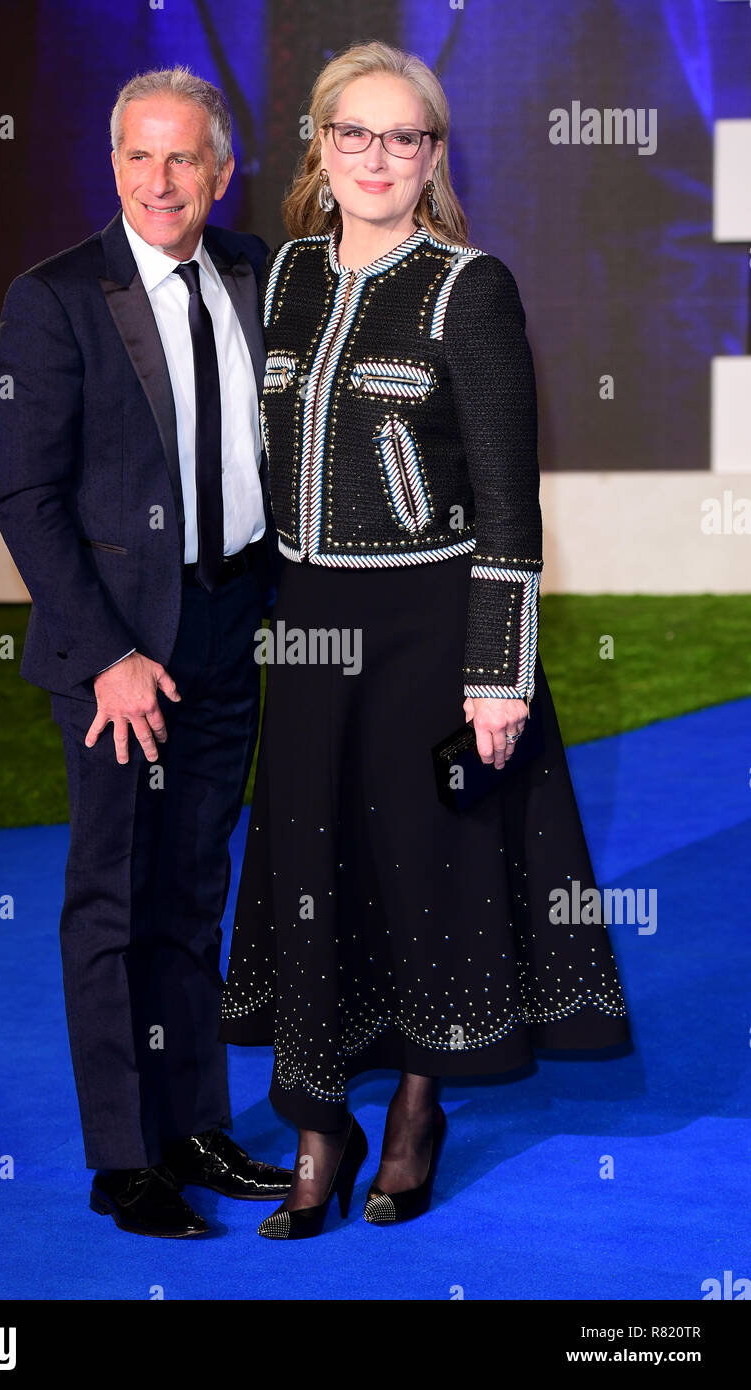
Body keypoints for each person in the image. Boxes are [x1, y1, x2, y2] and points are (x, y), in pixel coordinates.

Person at [219, 41, 632, 1239]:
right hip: (308, 637)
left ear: (433, 156)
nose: (378, 158)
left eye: (405, 138)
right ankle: (315, 1124)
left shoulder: (470, 286)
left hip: (428, 632)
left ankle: (412, 1110)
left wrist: (496, 676)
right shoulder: (285, 277)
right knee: (306, 872)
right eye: (354, 133)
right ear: (319, 145)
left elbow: (509, 499)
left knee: (424, 872)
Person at [0, 67, 293, 1238]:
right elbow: (28, 501)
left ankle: (196, 1126)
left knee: (192, 890)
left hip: (226, 625)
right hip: (119, 654)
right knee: (112, 903)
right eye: (138, 157)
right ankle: (126, 1160)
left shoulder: (259, 274)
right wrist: (110, 653)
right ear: (111, 164)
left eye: (184, 159)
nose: (160, 181)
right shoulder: (55, 296)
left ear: (219, 172)